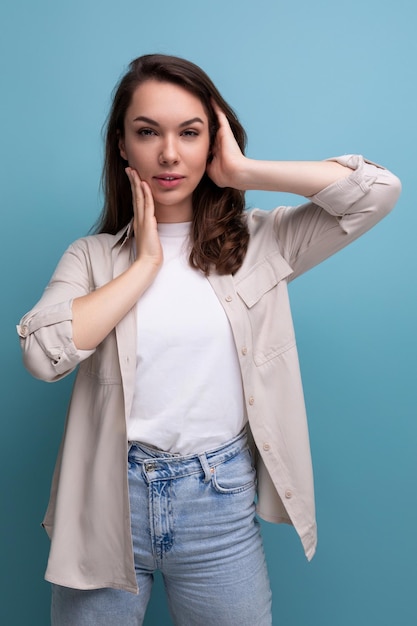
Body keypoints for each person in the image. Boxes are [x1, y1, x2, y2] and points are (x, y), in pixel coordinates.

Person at [17, 53, 401, 626]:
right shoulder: (92, 258)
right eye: (147, 132)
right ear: (122, 144)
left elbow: (376, 192)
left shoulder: (260, 243)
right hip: (106, 505)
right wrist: (144, 267)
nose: (169, 154)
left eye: (189, 133)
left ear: (213, 141)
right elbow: (42, 354)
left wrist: (243, 172)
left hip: (217, 504)